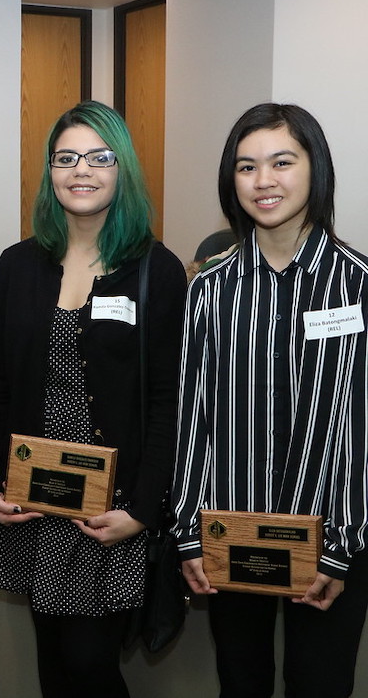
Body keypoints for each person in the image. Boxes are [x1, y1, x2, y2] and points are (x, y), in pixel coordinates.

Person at [0, 101, 187, 698]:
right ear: (49, 172)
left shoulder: (156, 270)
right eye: (65, 158)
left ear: (123, 170)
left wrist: (143, 510)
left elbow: (168, 400)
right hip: (34, 501)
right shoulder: (18, 265)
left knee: (92, 665)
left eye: (98, 157)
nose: (81, 170)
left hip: (110, 510)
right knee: (55, 666)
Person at [170, 102, 368, 698]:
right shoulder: (208, 288)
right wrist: (188, 535)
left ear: (316, 168)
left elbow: (363, 426)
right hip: (234, 535)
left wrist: (341, 549)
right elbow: (191, 419)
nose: (264, 181)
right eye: (246, 166)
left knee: (320, 685)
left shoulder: (358, 284)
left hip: (333, 535)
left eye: (282, 162)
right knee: (242, 686)